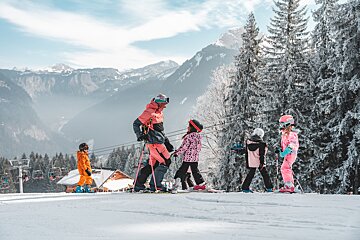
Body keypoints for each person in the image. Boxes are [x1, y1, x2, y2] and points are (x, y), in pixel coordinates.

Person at [133, 93, 173, 192]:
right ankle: (156, 185)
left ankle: (139, 184)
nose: (165, 106)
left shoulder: (159, 113)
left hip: (159, 142)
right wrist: (140, 135)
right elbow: (136, 124)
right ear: (159, 103)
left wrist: (167, 142)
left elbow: (160, 130)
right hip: (153, 143)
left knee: (152, 165)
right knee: (166, 161)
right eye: (164, 104)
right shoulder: (149, 112)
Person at [173, 119, 206, 191]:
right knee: (195, 171)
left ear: (192, 127)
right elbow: (199, 148)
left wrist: (177, 153)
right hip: (195, 158)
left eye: (189, 126)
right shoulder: (199, 137)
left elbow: (184, 147)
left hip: (188, 158)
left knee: (182, 170)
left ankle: (177, 181)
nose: (188, 127)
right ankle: (201, 184)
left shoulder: (188, 137)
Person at [241, 128, 273, 193]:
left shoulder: (248, 142)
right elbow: (262, 155)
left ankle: (245, 188)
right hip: (259, 162)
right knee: (265, 174)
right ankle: (269, 188)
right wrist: (262, 163)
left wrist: (247, 163)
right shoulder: (262, 144)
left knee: (250, 174)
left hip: (251, 161)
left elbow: (247, 153)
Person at [277, 115, 299, 193]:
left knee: (285, 168)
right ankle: (290, 184)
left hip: (291, 154)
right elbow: (285, 144)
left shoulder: (292, 134)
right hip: (288, 154)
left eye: (282, 124)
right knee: (286, 168)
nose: (281, 126)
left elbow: (293, 144)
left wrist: (286, 151)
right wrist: (280, 150)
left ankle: (289, 185)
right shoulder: (285, 133)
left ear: (287, 124)